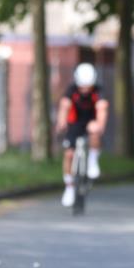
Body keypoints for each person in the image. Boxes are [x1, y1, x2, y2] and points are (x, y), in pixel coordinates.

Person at [54, 63, 108, 207]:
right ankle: (69, 187)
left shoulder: (98, 91)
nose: (85, 90)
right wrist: (61, 123)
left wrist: (100, 126)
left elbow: (102, 109)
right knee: (69, 154)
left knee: (94, 130)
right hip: (75, 123)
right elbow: (64, 106)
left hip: (91, 121)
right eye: (82, 86)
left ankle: (92, 160)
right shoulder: (71, 90)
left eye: (88, 86)